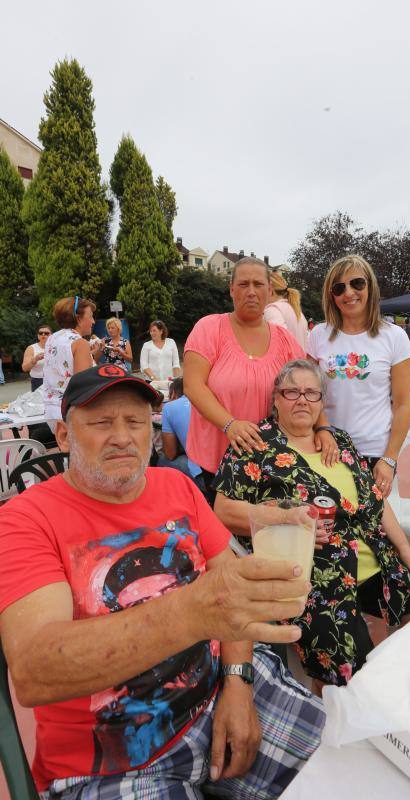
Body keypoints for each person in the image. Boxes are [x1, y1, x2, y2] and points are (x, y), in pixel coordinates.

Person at [0, 366, 325, 798]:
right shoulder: (24, 520)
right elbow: (36, 671)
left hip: (222, 692)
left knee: (355, 766)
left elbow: (232, 590)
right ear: (62, 436)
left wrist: (237, 680)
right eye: (101, 422)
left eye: (135, 422)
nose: (122, 436)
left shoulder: (177, 485)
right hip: (111, 766)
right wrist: (192, 613)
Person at [214, 360, 410, 695]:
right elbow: (222, 510)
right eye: (292, 392)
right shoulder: (254, 446)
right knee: (350, 668)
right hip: (313, 576)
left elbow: (373, 496)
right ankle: (331, 717)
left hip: (373, 556)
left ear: (321, 403)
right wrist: (286, 517)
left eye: (311, 393)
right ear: (276, 399)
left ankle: (398, 681)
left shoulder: (339, 441)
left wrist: (404, 548)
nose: (302, 400)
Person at [184, 257, 336, 502]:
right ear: (232, 290)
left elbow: (309, 389)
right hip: (217, 462)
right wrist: (230, 425)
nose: (251, 292)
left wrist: (324, 428)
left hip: (271, 467)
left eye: (258, 284)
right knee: (224, 534)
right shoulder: (209, 328)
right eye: (243, 284)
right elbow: (193, 385)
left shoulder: (285, 340)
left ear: (269, 290)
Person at [307, 254, 410, 499]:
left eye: (357, 283)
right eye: (339, 287)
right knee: (330, 525)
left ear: (370, 287)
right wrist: (323, 428)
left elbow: (404, 404)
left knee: (371, 526)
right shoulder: (318, 335)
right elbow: (311, 393)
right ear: (331, 295)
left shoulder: (394, 336)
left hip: (374, 451)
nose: (349, 293)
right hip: (326, 446)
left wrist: (389, 458)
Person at [43, 296, 97, 432]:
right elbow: (83, 389)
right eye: (90, 316)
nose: (93, 321)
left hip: (52, 409)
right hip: (72, 413)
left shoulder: (52, 338)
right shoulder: (80, 343)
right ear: (78, 318)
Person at [159, 377, 204, 489]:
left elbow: (170, 454)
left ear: (173, 393)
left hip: (205, 476)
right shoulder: (211, 401)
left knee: (162, 460)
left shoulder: (169, 407)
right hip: (227, 468)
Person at [264, 270, 309, 349]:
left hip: (286, 361)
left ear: (270, 290)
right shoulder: (297, 312)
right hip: (300, 360)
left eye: (259, 287)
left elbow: (279, 343)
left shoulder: (272, 310)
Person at [21, 325, 52, 391]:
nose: (43, 334)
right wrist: (35, 359)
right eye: (40, 333)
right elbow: (25, 368)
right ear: (38, 336)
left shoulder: (56, 347)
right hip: (38, 381)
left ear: (51, 335)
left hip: (53, 380)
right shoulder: (31, 348)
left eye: (46, 333)